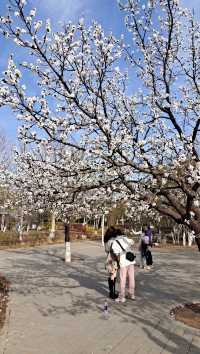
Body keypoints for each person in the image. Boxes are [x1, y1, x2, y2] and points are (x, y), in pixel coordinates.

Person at [111, 229, 136, 303]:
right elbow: (132, 242)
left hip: (123, 262)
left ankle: (122, 297)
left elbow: (116, 253)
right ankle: (131, 294)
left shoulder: (115, 242)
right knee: (131, 278)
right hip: (131, 261)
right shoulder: (125, 238)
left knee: (123, 279)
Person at [104, 227, 119, 299]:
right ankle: (112, 293)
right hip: (113, 260)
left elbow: (106, 250)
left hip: (108, 260)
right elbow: (115, 251)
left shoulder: (106, 241)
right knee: (113, 276)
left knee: (111, 276)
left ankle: (111, 292)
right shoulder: (113, 241)